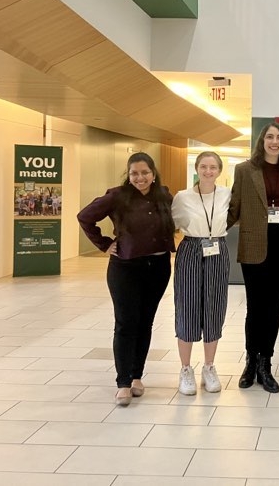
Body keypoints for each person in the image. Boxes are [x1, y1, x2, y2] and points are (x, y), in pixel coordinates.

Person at [77, 152, 175, 406]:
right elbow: (85, 216)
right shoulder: (117, 196)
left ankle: (137, 377)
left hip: (159, 266)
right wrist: (104, 244)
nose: (140, 177)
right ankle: (123, 382)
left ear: (153, 174)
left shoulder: (163, 195)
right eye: (134, 173)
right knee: (125, 323)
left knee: (145, 322)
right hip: (125, 268)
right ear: (128, 175)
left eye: (145, 172)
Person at [228, 122, 279, 393]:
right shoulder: (245, 170)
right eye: (269, 136)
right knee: (255, 308)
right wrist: (207, 230)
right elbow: (234, 206)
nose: (274, 141)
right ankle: (250, 361)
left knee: (273, 309)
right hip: (254, 247)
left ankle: (265, 364)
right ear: (262, 141)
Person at [172, 152, 231, 395]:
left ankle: (209, 367)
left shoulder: (227, 194)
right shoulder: (182, 197)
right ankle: (186, 369)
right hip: (190, 249)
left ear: (219, 170)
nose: (208, 171)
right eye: (204, 167)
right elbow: (172, 224)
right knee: (187, 307)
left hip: (217, 248)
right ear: (197, 169)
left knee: (214, 307)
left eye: (213, 167)